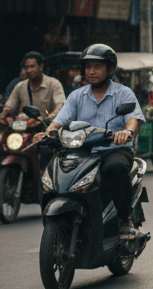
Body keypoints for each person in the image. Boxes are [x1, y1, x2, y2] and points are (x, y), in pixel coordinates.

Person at [46, 44, 145, 240]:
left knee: (115, 168)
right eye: (88, 67)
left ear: (110, 69)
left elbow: (134, 119)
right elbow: (59, 121)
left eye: (97, 67)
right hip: (82, 151)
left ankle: (124, 219)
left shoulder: (123, 93)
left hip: (114, 149)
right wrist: (49, 132)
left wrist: (127, 131)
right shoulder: (77, 96)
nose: (91, 71)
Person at [1, 51, 66, 121]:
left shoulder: (54, 84)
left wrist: (48, 117)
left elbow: (60, 105)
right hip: (24, 127)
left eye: (32, 67)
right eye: (27, 67)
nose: (29, 70)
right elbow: (9, 108)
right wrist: (3, 116)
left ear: (41, 67)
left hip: (46, 126)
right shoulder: (20, 86)